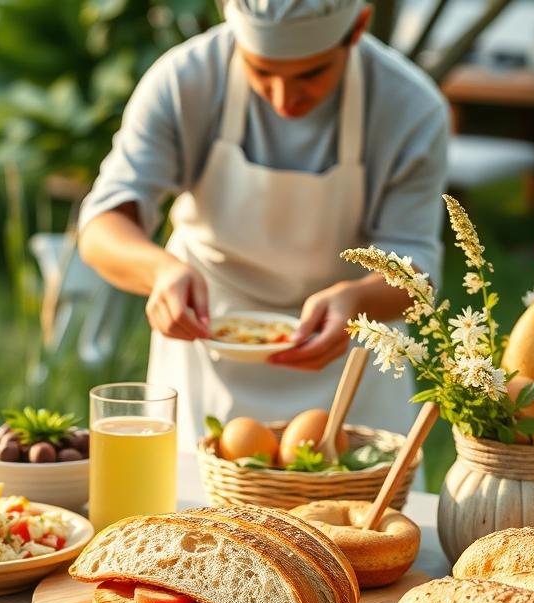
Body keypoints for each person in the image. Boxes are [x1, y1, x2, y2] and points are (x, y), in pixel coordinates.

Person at [78, 0, 448, 446]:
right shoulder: (184, 80)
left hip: (350, 363)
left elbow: (417, 271)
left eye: (310, 74)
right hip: (209, 349)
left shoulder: (410, 106)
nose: (283, 99)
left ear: (358, 27)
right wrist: (160, 272)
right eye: (261, 71)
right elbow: (102, 226)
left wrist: (354, 300)